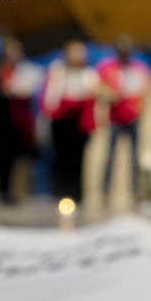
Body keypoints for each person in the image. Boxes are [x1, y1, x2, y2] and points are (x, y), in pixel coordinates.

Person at [0, 36, 44, 205]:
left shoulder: (25, 71)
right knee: (1, 159)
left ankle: (15, 191)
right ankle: (2, 192)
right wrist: (0, 88)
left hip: (18, 122)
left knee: (18, 159)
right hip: (0, 121)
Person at [97, 35, 151, 204]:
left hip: (133, 118)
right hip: (115, 118)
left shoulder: (139, 68)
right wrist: (110, 95)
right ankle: (105, 192)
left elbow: (147, 90)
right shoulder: (108, 67)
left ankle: (136, 192)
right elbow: (100, 90)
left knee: (135, 157)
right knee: (110, 156)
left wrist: (141, 105)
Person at [41, 40, 99, 202]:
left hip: (79, 121)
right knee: (60, 157)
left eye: (80, 52)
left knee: (78, 158)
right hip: (61, 119)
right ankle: (59, 193)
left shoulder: (89, 74)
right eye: (73, 52)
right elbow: (50, 95)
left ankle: (77, 194)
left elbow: (92, 96)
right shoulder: (57, 70)